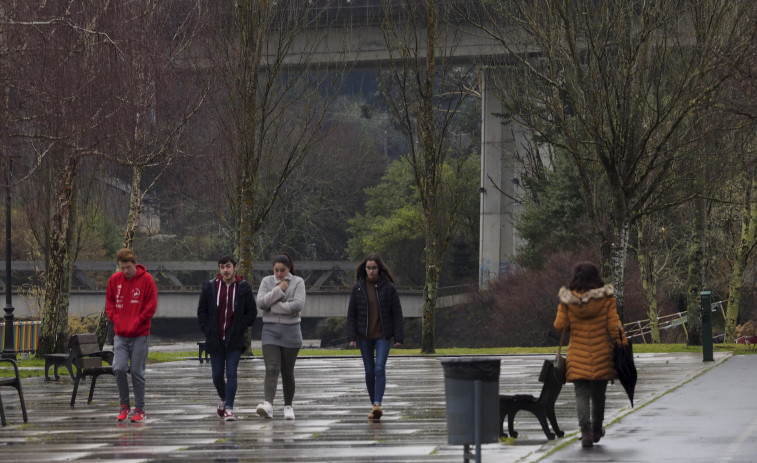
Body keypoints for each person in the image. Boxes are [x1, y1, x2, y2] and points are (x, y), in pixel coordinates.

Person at [553, 262, 627, 448]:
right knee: (599, 395)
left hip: (577, 354)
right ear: (596, 277)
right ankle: (596, 429)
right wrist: (623, 344)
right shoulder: (606, 298)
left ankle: (585, 432)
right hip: (602, 353)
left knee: (581, 394)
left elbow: (560, 326)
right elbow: (614, 325)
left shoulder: (567, 299)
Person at [197, 255, 257, 421]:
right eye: (222, 267)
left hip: (235, 340)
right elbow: (202, 312)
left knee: (231, 373)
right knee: (216, 375)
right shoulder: (210, 287)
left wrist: (239, 327)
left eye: (228, 266)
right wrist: (208, 330)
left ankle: (229, 408)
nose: (225, 270)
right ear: (219, 269)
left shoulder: (243, 287)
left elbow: (251, 313)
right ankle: (223, 398)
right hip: (215, 339)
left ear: (235, 267)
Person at [346, 253, 404, 421]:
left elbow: (397, 314)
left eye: (374, 268)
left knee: (379, 368)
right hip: (364, 336)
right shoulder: (358, 288)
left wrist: (398, 337)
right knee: (369, 371)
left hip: (383, 336)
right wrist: (352, 336)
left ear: (379, 269)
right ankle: (375, 406)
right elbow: (352, 315)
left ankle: (377, 403)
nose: (371, 271)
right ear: (364, 269)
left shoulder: (389, 288)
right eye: (368, 268)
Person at [105, 248, 158, 423]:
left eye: (128, 267)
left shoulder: (147, 280)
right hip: (120, 334)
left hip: (140, 334)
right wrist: (116, 320)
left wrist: (138, 321)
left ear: (135, 264)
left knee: (137, 372)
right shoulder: (114, 280)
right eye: (122, 268)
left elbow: (150, 307)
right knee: (118, 368)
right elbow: (110, 304)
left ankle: (140, 409)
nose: (126, 271)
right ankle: (124, 405)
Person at [255, 253, 305, 420]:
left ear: (288, 268)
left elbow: (297, 305)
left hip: (291, 332)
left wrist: (274, 307)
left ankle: (288, 406)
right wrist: (279, 290)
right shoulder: (266, 281)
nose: (278, 274)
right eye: (276, 270)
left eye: (282, 270)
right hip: (270, 332)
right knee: (272, 368)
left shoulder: (298, 282)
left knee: (287, 371)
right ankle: (268, 404)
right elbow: (261, 303)